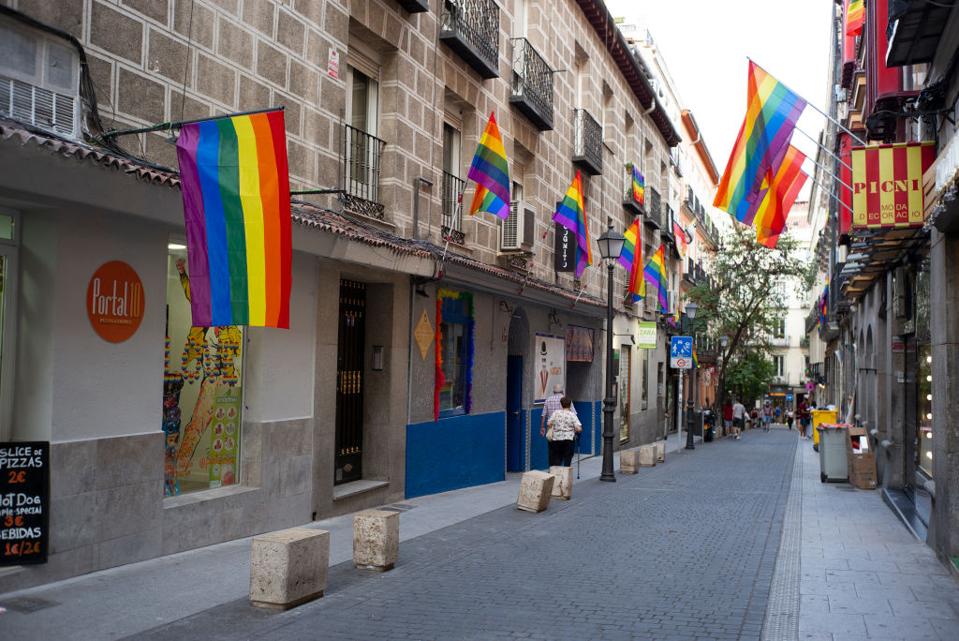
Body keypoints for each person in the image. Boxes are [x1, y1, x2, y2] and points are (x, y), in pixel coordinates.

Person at [546, 396, 582, 466]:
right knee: (567, 458)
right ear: (570, 404)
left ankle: (557, 474)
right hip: (568, 439)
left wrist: (556, 425)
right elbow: (579, 429)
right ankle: (565, 474)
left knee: (556, 458)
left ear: (561, 404)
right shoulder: (572, 415)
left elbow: (549, 423)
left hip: (556, 439)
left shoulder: (556, 413)